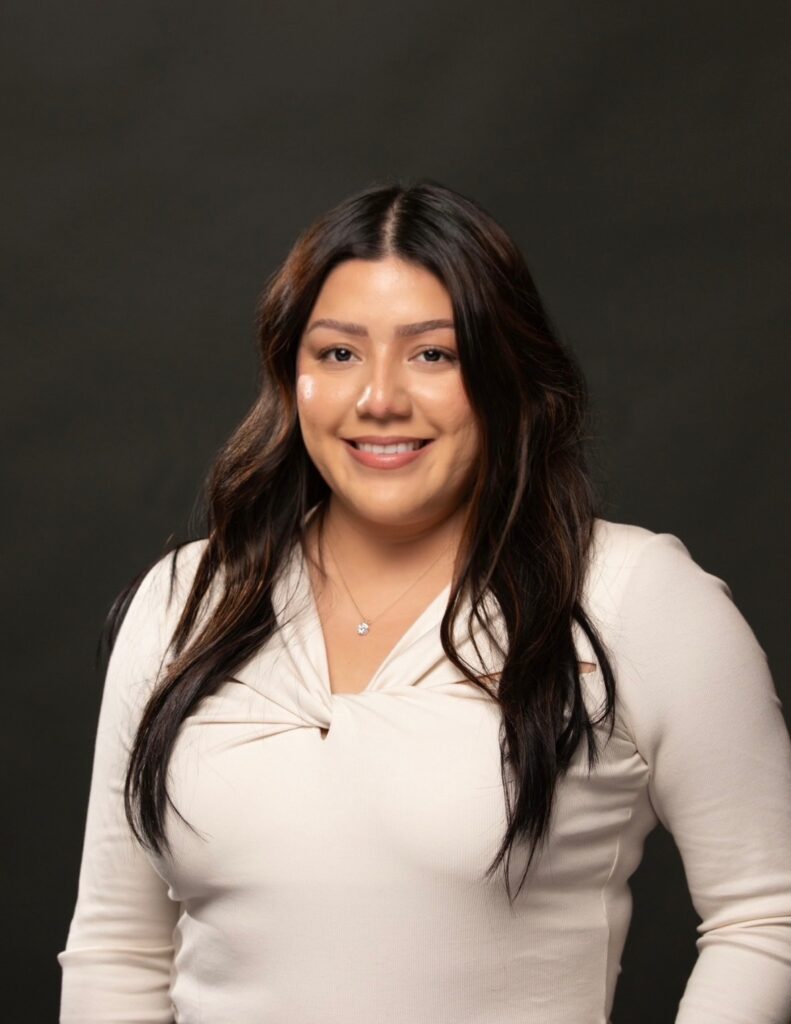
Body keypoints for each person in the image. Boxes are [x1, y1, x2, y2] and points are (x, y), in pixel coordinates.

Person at [57, 178, 791, 1024]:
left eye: (432, 354)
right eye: (337, 353)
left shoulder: (634, 597)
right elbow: (118, 946)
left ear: (505, 373)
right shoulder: (188, 600)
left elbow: (766, 910)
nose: (379, 398)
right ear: (290, 377)